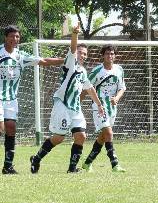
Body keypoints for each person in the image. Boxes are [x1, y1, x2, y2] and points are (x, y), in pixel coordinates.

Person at [0, 25, 64, 175]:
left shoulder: (20, 55)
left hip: (11, 99)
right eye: (12, 36)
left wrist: (65, 60)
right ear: (6, 37)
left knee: (11, 128)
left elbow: (43, 60)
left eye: (17, 37)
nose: (14, 39)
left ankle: (8, 166)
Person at [30, 23, 104, 174]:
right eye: (80, 52)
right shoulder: (70, 62)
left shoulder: (83, 71)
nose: (82, 55)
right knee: (58, 138)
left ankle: (72, 168)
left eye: (85, 54)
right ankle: (36, 158)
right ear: (75, 53)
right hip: (62, 105)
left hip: (75, 108)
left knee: (81, 136)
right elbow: (72, 48)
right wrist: (75, 34)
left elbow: (89, 88)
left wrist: (99, 104)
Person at [81, 45, 126, 173]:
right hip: (99, 107)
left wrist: (117, 98)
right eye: (107, 54)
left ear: (115, 56)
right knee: (109, 133)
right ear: (103, 55)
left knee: (103, 136)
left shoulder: (119, 70)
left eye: (112, 54)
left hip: (112, 107)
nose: (110, 56)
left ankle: (87, 163)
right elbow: (86, 88)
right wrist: (78, 103)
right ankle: (115, 164)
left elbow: (122, 87)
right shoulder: (96, 71)